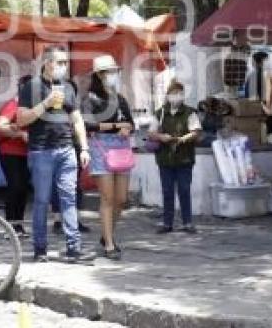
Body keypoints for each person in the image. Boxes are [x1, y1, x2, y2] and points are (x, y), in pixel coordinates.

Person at [17, 46, 93, 263]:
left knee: (68, 198)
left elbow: (77, 119)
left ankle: (74, 248)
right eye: (60, 62)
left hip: (67, 149)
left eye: (66, 63)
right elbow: (21, 119)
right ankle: (40, 249)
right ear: (47, 63)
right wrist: (46, 104)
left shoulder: (68, 87)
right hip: (41, 151)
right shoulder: (30, 87)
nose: (64, 67)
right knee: (41, 201)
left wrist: (84, 147)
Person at [80, 54, 136, 259]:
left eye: (116, 71)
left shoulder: (120, 98)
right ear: (100, 75)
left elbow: (131, 123)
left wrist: (127, 128)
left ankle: (107, 234)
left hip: (121, 148)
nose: (115, 75)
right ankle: (110, 244)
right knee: (107, 197)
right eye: (110, 72)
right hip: (101, 147)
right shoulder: (90, 99)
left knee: (121, 199)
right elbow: (88, 124)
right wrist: (115, 127)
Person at [149, 81, 202, 234]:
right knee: (167, 191)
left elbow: (196, 132)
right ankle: (167, 223)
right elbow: (151, 133)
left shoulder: (190, 112)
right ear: (167, 96)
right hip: (165, 159)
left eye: (179, 93)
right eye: (173, 93)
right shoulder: (160, 113)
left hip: (184, 159)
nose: (176, 97)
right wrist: (161, 136)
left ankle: (187, 222)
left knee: (184, 190)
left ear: (183, 95)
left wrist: (183, 139)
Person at [0, 76, 31, 237]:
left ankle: (18, 225)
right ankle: (9, 226)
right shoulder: (13, 105)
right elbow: (0, 127)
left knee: (23, 189)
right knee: (15, 186)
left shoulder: (31, 107)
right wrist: (20, 134)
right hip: (9, 152)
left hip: (26, 153)